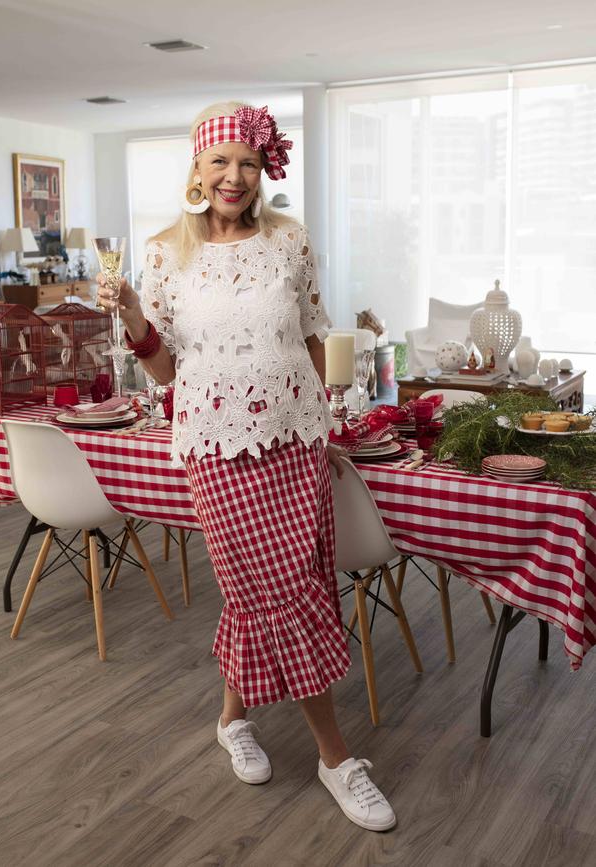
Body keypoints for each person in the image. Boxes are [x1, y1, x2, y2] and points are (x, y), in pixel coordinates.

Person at [97, 101, 396, 832]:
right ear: (197, 168)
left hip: (295, 440)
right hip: (214, 446)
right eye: (221, 161)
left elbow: (313, 334)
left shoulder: (289, 242)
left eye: (250, 163)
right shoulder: (166, 253)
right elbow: (167, 371)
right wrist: (135, 317)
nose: (235, 176)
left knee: (288, 583)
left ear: (264, 171)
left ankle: (232, 719)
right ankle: (336, 757)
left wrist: (329, 413)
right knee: (274, 588)